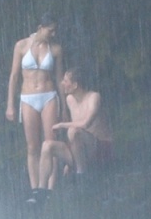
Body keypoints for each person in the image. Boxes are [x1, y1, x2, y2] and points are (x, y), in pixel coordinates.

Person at [6, 16, 63, 200]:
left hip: (49, 96)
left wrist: (65, 108)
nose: (53, 34)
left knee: (50, 144)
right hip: (28, 97)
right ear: (40, 27)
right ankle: (35, 189)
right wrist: (10, 105)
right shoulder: (21, 46)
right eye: (50, 30)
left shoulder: (55, 49)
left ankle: (50, 189)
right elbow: (14, 76)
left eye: (55, 31)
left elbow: (60, 79)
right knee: (32, 146)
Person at [37, 66, 112, 194]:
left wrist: (61, 125)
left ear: (75, 85)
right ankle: (41, 192)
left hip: (100, 147)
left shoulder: (94, 97)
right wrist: (68, 162)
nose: (62, 83)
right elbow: (76, 128)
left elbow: (86, 123)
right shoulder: (70, 100)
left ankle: (82, 177)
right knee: (47, 145)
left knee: (73, 131)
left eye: (65, 81)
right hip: (82, 150)